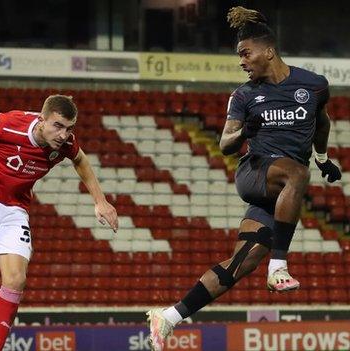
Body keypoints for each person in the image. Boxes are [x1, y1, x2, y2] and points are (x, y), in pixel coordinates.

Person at [146, 6, 342, 351]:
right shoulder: (244, 95)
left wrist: (324, 158)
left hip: (279, 190)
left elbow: (322, 123)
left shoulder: (313, 85)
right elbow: (225, 143)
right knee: (297, 172)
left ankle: (169, 316)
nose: (241, 61)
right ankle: (279, 266)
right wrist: (244, 133)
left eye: (244, 53)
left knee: (243, 261)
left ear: (268, 51)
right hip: (255, 172)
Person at [0, 95, 118, 351]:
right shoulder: (7, 124)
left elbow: (80, 160)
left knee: (16, 280)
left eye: (69, 128)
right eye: (57, 126)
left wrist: (100, 201)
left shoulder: (66, 143)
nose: (63, 135)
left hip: (14, 210)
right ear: (41, 120)